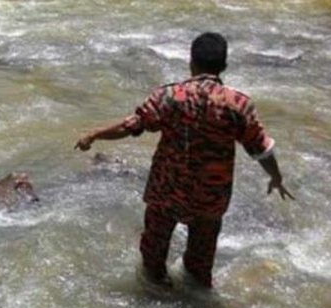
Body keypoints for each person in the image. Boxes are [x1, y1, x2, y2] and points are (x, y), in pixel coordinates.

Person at [74, 32, 294, 289]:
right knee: (200, 268)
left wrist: (94, 135)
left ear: (191, 62)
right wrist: (275, 177)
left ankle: (157, 296)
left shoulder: (169, 97)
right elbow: (261, 149)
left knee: (153, 258)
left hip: (166, 191)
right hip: (210, 197)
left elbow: (131, 126)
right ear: (223, 66)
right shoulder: (238, 104)